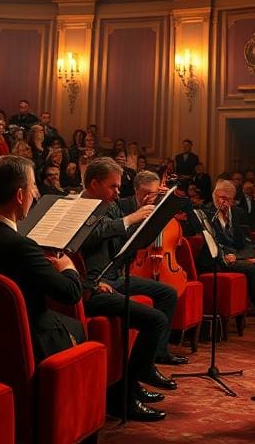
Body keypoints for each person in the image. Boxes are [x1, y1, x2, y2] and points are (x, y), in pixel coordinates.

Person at [79, 157, 182, 422]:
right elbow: (92, 234)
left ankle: (144, 368)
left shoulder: (111, 206)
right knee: (155, 320)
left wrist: (141, 223)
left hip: (111, 276)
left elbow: (122, 244)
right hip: (92, 286)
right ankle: (124, 396)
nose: (117, 192)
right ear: (94, 183)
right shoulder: (77, 207)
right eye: (113, 187)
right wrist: (130, 218)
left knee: (166, 293)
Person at [0, 154, 85, 360]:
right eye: (33, 187)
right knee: (78, 328)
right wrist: (67, 265)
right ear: (20, 195)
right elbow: (70, 293)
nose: (35, 194)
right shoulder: (21, 246)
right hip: (28, 337)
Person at [199, 180, 255, 323]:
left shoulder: (237, 213)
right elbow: (212, 243)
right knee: (250, 267)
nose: (223, 202)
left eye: (227, 199)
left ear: (233, 200)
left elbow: (244, 240)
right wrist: (241, 259)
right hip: (221, 258)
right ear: (214, 196)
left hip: (235, 254)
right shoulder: (207, 213)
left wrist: (241, 256)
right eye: (220, 198)